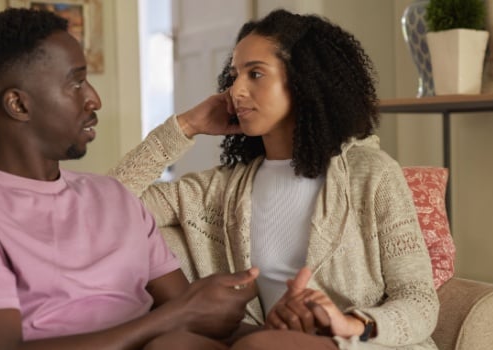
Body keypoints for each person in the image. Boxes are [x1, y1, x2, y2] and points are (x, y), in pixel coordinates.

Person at [0, 8, 259, 350]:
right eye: (76, 82)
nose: (94, 98)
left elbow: (199, 321)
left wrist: (282, 323)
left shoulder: (113, 195)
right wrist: (171, 318)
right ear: (18, 105)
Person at [110, 9, 439, 350]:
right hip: (263, 339)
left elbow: (419, 299)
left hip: (361, 344)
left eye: (255, 74)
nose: (235, 91)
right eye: (234, 76)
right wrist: (186, 126)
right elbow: (106, 207)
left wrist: (352, 323)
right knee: (171, 347)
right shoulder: (219, 190)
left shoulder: (372, 174)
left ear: (303, 82)